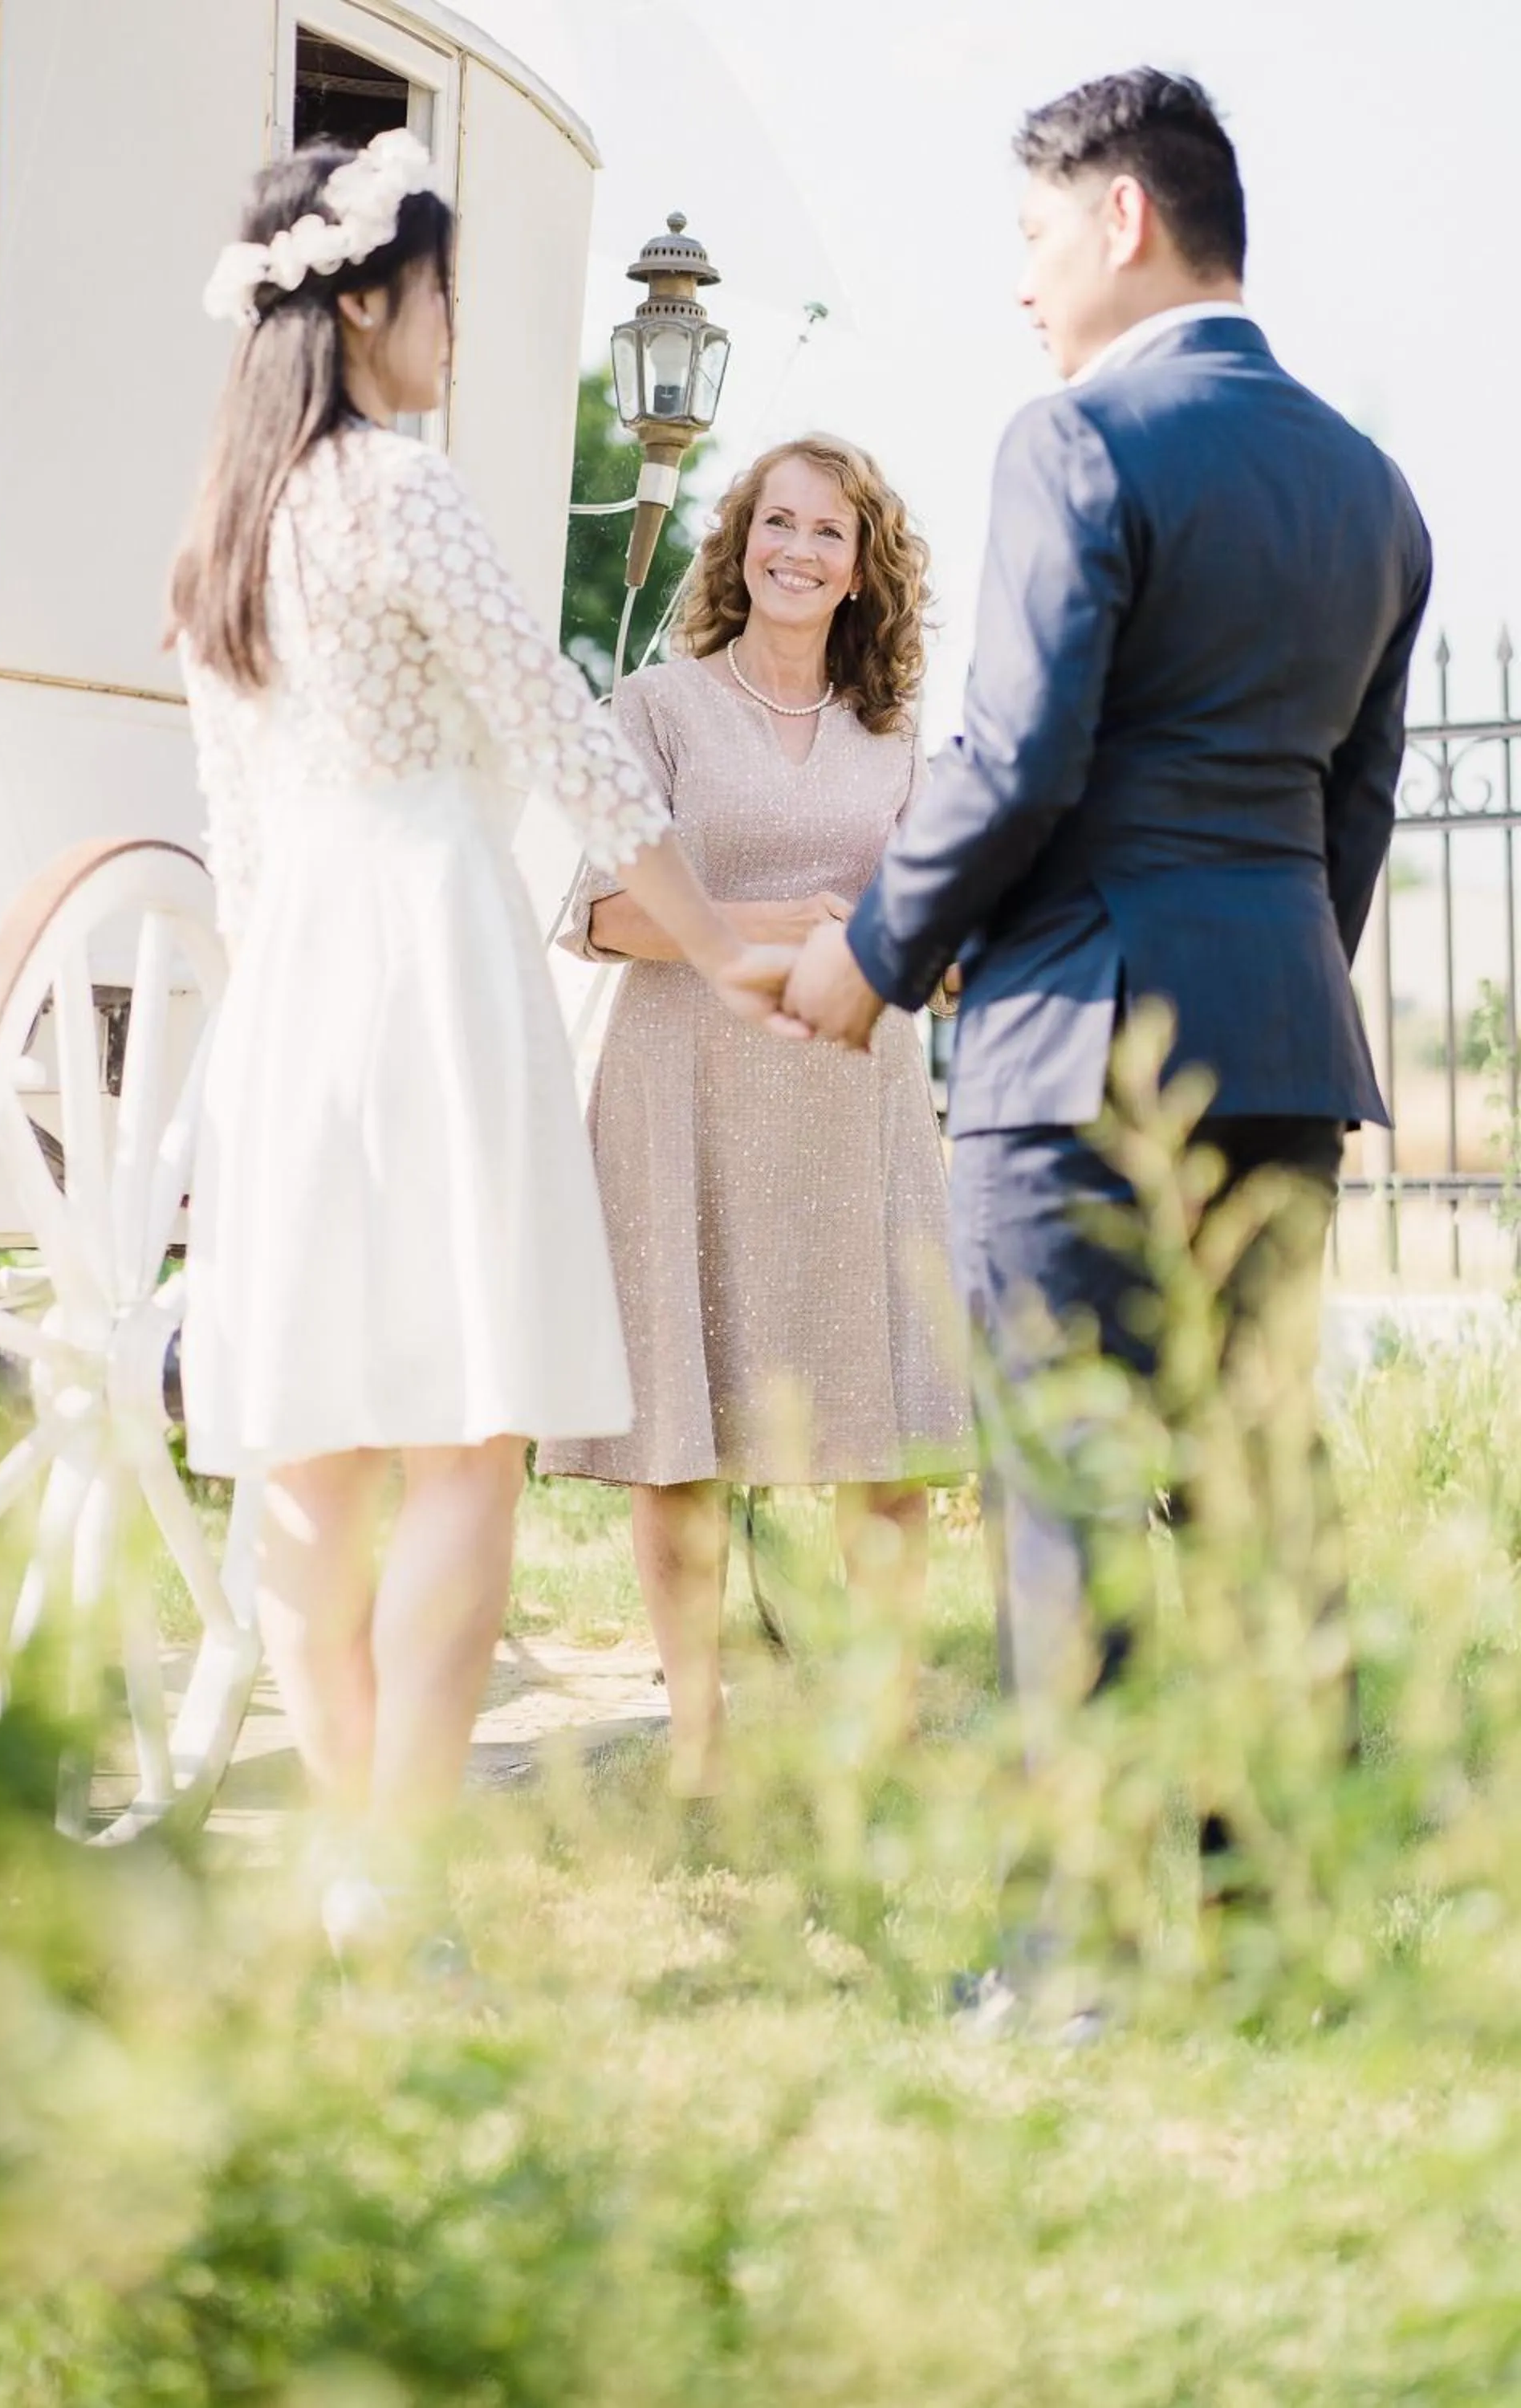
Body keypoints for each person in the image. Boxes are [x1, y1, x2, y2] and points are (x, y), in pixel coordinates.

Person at [784, 70, 1431, 1922]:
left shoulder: (1071, 440)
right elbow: (1352, 815)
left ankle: (1080, 1944)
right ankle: (1269, 1904)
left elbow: (1016, 763)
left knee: (1066, 1495)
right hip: (1282, 1057)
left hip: (1071, 1062)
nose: (1020, 284)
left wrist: (867, 958)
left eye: (1032, 235)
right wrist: (1274, 980)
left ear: (1123, 219)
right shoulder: (1372, 491)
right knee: (1252, 1487)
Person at [168, 131, 800, 1949]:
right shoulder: (399, 490)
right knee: (461, 1434)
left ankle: (351, 1859)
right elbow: (571, 739)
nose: (454, 325)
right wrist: (719, 950)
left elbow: (235, 830)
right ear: (368, 298)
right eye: (440, 291)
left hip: (291, 974)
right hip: (430, 953)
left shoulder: (228, 519)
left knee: (308, 1446)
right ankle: (400, 1866)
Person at [539, 437, 970, 1797]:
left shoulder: (897, 739)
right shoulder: (659, 709)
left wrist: (919, 941)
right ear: (740, 546)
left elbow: (945, 944)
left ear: (862, 570)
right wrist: (762, 923)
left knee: (884, 1441)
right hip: (686, 1099)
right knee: (685, 1443)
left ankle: (885, 1735)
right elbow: (595, 916)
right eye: (774, 523)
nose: (796, 549)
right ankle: (700, 1742)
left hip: (857, 1104)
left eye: (827, 533)